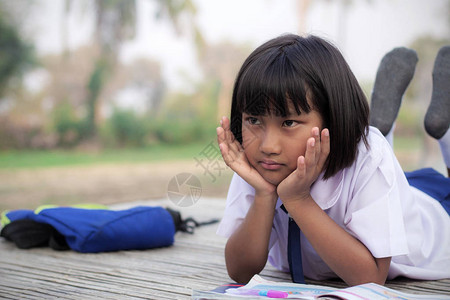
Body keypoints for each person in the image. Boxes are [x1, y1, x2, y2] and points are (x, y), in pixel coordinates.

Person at [215, 33, 450, 286]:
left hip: (432, 208)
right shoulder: (260, 163)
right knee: (377, 159)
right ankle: (384, 130)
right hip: (378, 183)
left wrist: (298, 199)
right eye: (254, 120)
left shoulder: (368, 156)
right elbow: (240, 271)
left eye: (289, 122)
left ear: (332, 118)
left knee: (377, 152)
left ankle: (444, 133)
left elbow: (370, 278)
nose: (268, 146)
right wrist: (264, 195)